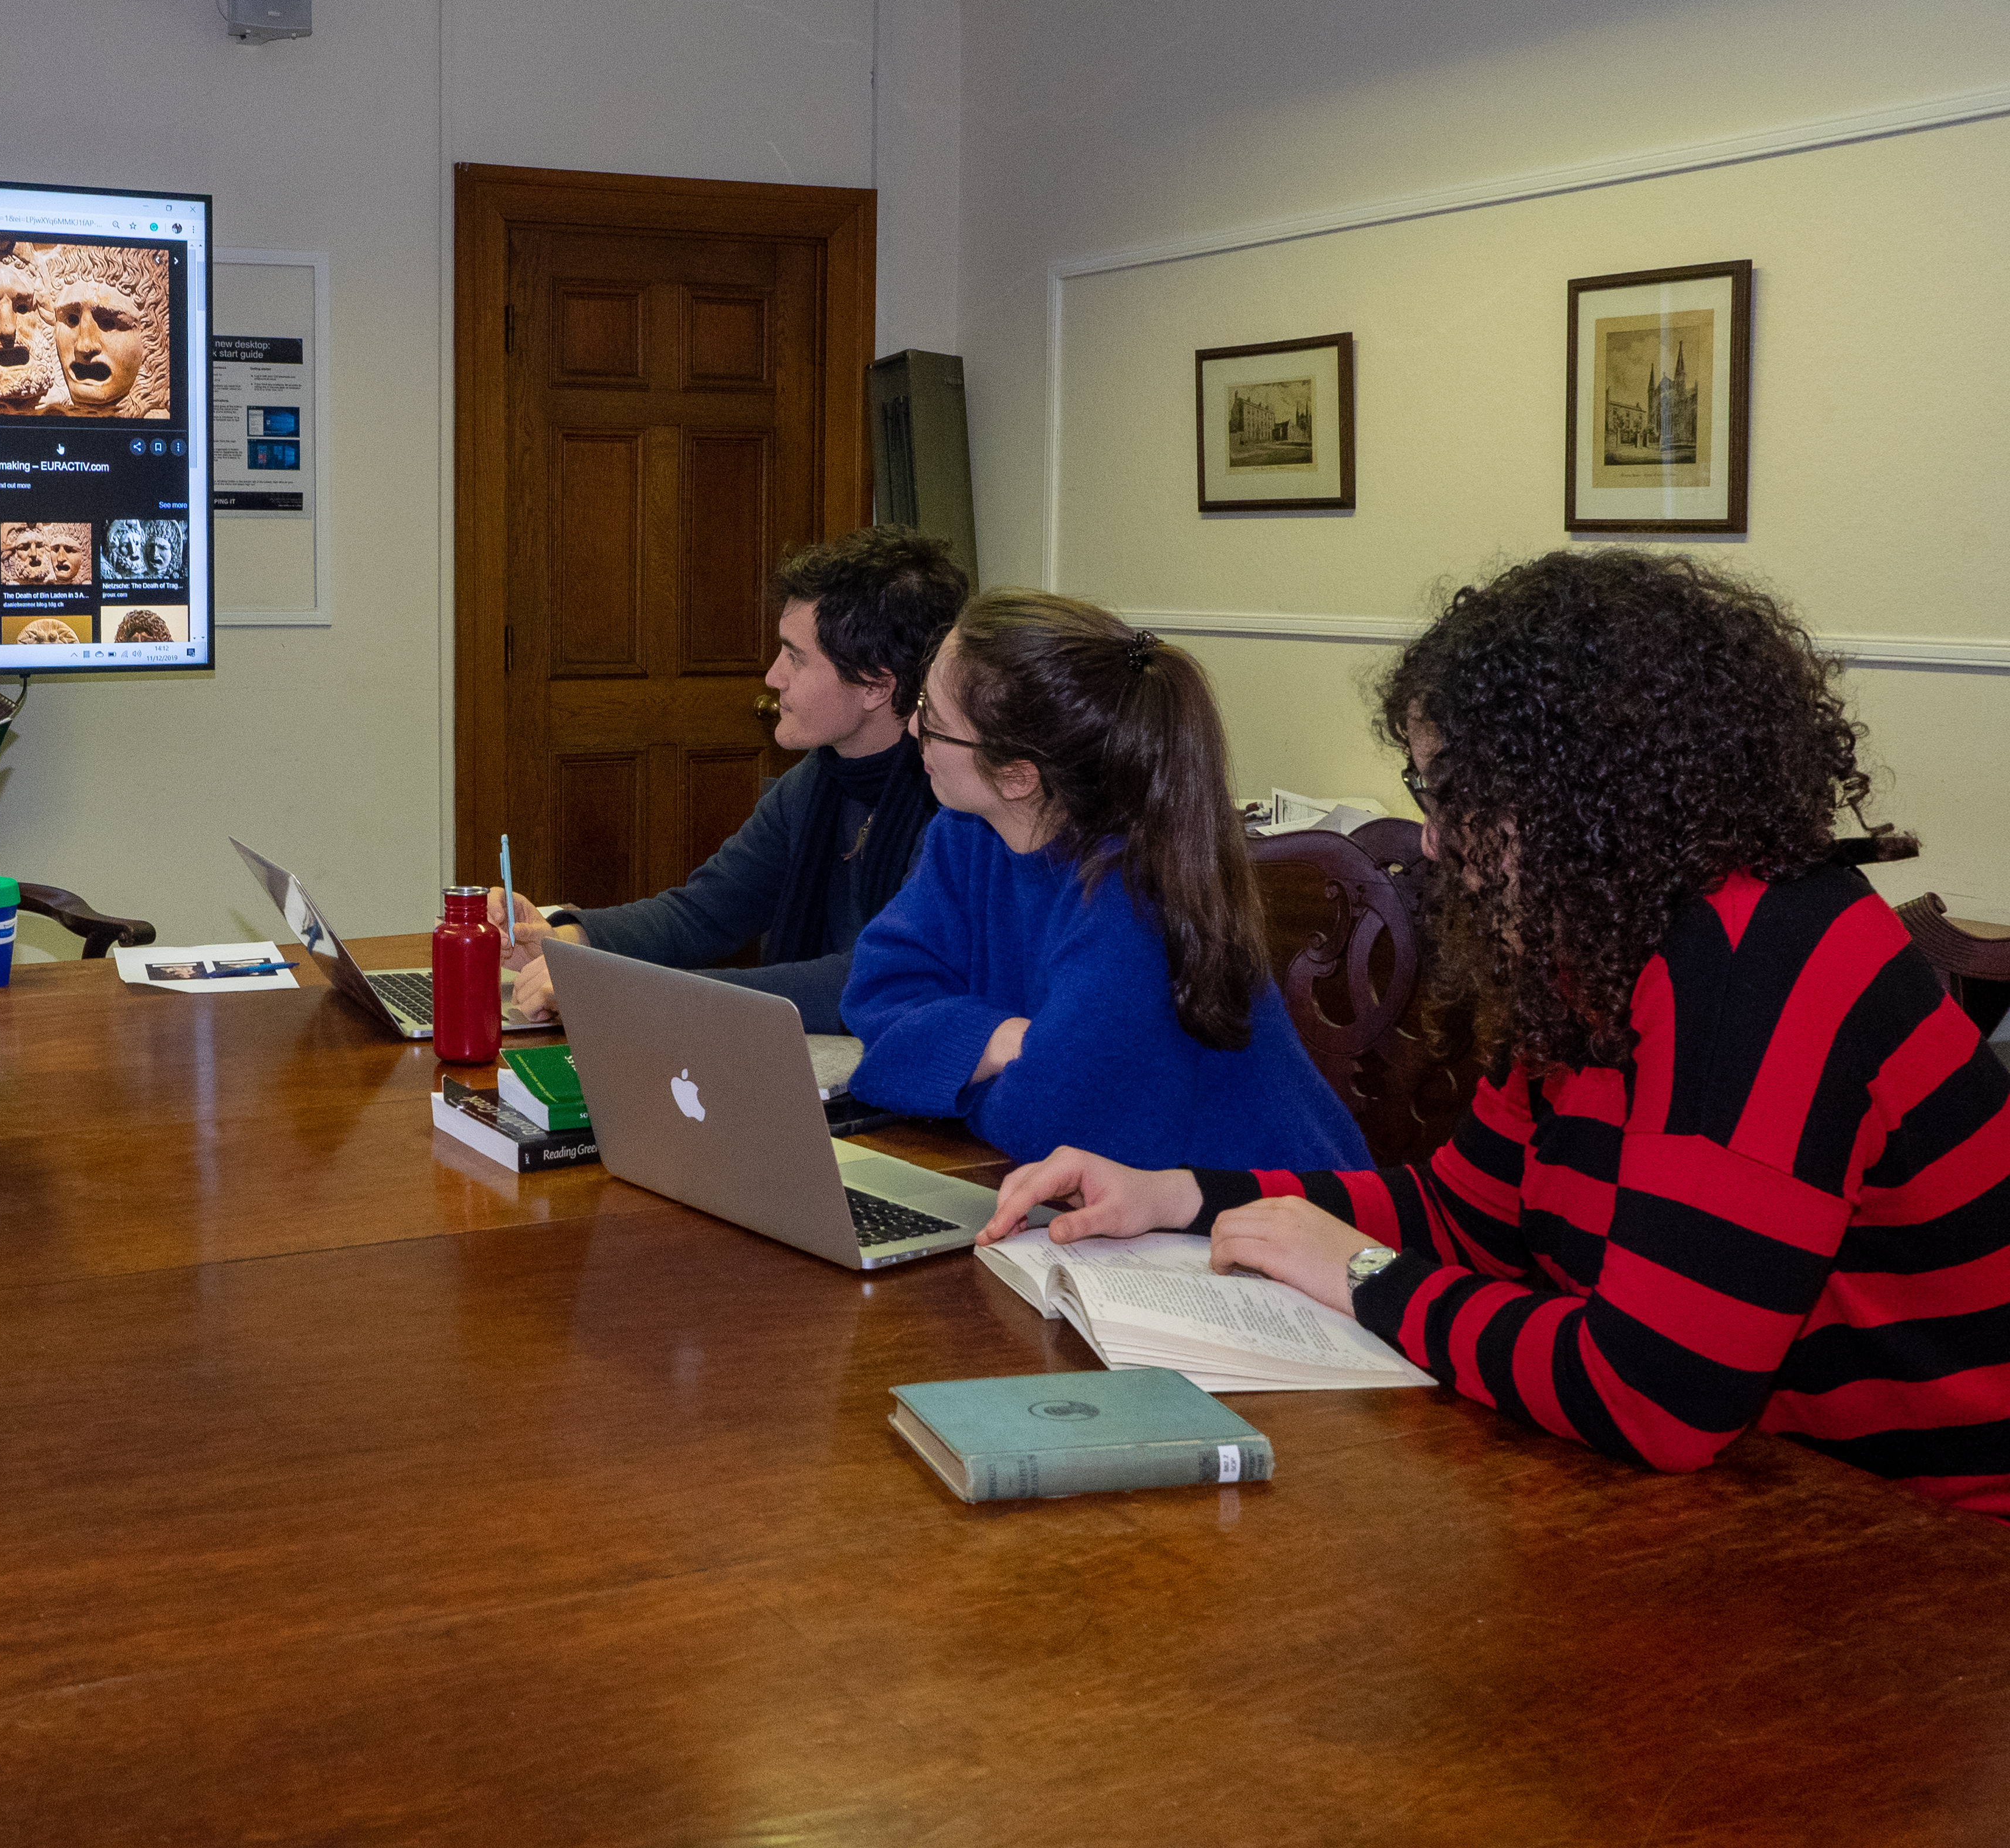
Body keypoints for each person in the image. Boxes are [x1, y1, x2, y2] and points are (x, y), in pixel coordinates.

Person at [978, 551, 2010, 1519]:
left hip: (1933, 1536)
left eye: (1449, 794)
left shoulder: (1770, 967)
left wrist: (1364, 1275)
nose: (1432, 839)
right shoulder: (1604, 950)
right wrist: (1180, 1196)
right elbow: (1464, 1213)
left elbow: (1652, 1396)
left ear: (1583, 795)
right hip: (1769, 1490)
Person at [841, 590, 1366, 1171]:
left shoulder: (1129, 894)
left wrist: (941, 1072)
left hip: (1264, 1205)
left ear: (1017, 777)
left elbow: (1050, 1126)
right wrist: (1004, 1041)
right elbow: (876, 995)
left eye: (934, 722)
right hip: (1116, 1193)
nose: (912, 726)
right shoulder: (967, 833)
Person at [492, 525, 971, 1036]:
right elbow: (705, 913)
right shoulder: (816, 781)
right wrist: (567, 941)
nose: (773, 676)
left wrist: (634, 992)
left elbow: (871, 979)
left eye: (796, 657)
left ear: (875, 685)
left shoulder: (955, 804)